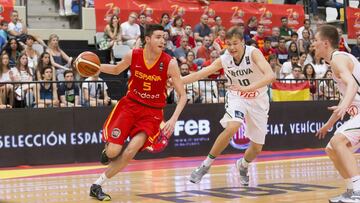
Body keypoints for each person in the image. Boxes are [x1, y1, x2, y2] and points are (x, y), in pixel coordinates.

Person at [89, 24, 187, 201]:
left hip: (152, 114)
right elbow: (117, 69)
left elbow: (183, 96)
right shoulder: (133, 55)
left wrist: (173, 119)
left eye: (164, 37)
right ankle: (108, 152)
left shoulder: (170, 63)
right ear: (147, 39)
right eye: (158, 37)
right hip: (130, 106)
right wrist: (96, 67)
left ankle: (97, 185)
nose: (162, 41)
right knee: (113, 152)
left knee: (130, 152)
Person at [182, 26, 275, 185]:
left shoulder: (253, 53)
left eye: (235, 43)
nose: (231, 48)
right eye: (228, 44)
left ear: (242, 42)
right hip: (237, 96)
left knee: (257, 148)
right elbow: (200, 74)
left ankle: (243, 165)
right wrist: (176, 82)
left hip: (258, 99)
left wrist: (248, 88)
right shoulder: (225, 59)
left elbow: (271, 76)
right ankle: (205, 166)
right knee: (233, 126)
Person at [314, 24, 360, 203]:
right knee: (332, 149)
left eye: (316, 41)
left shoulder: (337, 59)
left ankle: (358, 191)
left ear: (325, 43)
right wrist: (329, 124)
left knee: (338, 141)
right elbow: (346, 97)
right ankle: (351, 190)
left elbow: (352, 85)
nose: (313, 44)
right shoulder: (335, 61)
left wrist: (344, 107)